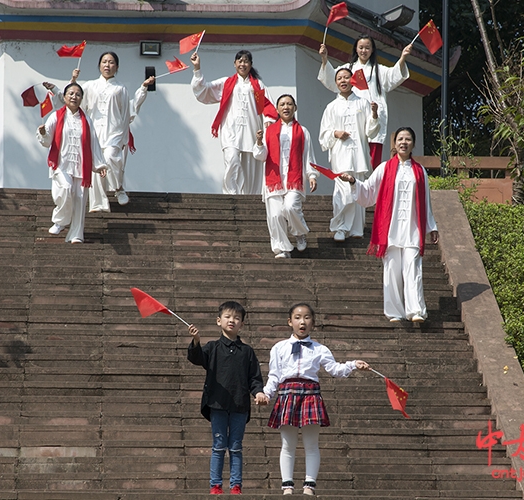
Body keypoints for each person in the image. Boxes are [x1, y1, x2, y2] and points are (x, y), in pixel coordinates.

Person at [264, 303, 370, 495]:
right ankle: (287, 486)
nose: (302, 321)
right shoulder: (279, 348)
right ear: (290, 322)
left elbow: (335, 369)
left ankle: (309, 485)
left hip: (311, 396)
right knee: (288, 444)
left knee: (311, 444)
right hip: (287, 395)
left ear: (312, 322)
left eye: (306, 317)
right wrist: (266, 393)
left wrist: (354, 364)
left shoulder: (320, 349)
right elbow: (274, 375)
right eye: (297, 317)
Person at [339, 126, 439, 322]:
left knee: (413, 269)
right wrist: (353, 182)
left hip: (412, 228)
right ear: (395, 144)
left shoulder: (420, 171)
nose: (404, 142)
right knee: (392, 269)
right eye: (400, 139)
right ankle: (394, 312)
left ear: (413, 144)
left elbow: (426, 201)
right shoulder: (385, 168)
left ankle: (416, 311)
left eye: (408, 139)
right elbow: (368, 192)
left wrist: (431, 227)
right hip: (390, 229)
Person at [45, 51, 155, 212]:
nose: (107, 65)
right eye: (104, 62)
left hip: (114, 131)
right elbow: (72, 101)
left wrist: (143, 89)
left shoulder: (120, 89)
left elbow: (129, 110)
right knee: (96, 166)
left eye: (111, 62)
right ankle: (98, 203)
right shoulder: (90, 86)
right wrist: (60, 87)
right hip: (94, 131)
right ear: (99, 65)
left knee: (110, 157)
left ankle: (118, 188)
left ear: (116, 67)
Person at [187, 301, 268, 495]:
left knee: (236, 447)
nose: (232, 320)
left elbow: (254, 378)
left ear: (242, 324)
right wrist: (196, 340)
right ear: (218, 321)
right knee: (218, 445)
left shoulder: (247, 351)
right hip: (217, 403)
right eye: (228, 317)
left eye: (237, 318)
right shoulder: (212, 347)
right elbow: (196, 358)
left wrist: (258, 392)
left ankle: (236, 485)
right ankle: (215, 485)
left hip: (240, 404)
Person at [191, 50, 277, 195]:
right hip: (230, 129)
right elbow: (204, 90)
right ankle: (230, 195)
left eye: (246, 61)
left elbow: (267, 105)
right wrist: (197, 68)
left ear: (250, 64)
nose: (243, 64)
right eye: (240, 61)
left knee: (250, 168)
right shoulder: (226, 83)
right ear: (235, 63)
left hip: (251, 129)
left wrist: (268, 119)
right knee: (232, 160)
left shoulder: (256, 85)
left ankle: (251, 199)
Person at [318, 34, 412, 167]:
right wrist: (324, 58)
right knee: (346, 164)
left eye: (367, 48)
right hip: (350, 123)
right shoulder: (347, 70)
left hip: (372, 121)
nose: (364, 51)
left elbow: (394, 76)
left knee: (370, 165)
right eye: (361, 47)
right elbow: (331, 79)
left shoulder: (379, 70)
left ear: (372, 49)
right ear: (356, 49)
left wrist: (403, 58)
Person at [36, 82, 107, 243]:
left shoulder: (87, 120)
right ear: (65, 97)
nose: (74, 97)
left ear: (81, 98)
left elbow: (94, 143)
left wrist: (100, 165)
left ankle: (76, 234)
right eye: (71, 94)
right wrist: (42, 133)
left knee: (80, 200)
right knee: (65, 189)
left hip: (82, 166)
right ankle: (60, 220)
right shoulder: (56, 116)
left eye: (78, 94)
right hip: (62, 164)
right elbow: (47, 139)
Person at [252, 94, 318, 259]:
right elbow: (260, 156)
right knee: (275, 215)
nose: (286, 107)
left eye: (289, 104)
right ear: (277, 109)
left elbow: (308, 156)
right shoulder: (269, 131)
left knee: (290, 207)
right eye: (282, 104)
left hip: (294, 179)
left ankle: (300, 233)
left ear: (295, 108)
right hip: (273, 179)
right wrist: (259, 142)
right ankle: (282, 249)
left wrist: (312, 175)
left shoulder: (303, 131)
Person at [318, 67, 379, 242]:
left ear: (352, 80)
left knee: (357, 189)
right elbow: (323, 134)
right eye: (339, 78)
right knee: (343, 191)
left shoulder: (363, 103)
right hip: (340, 155)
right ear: (336, 83)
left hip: (359, 154)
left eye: (346, 77)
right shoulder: (331, 107)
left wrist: (374, 114)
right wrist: (335, 134)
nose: (343, 81)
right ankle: (340, 227)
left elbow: (371, 131)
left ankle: (356, 229)